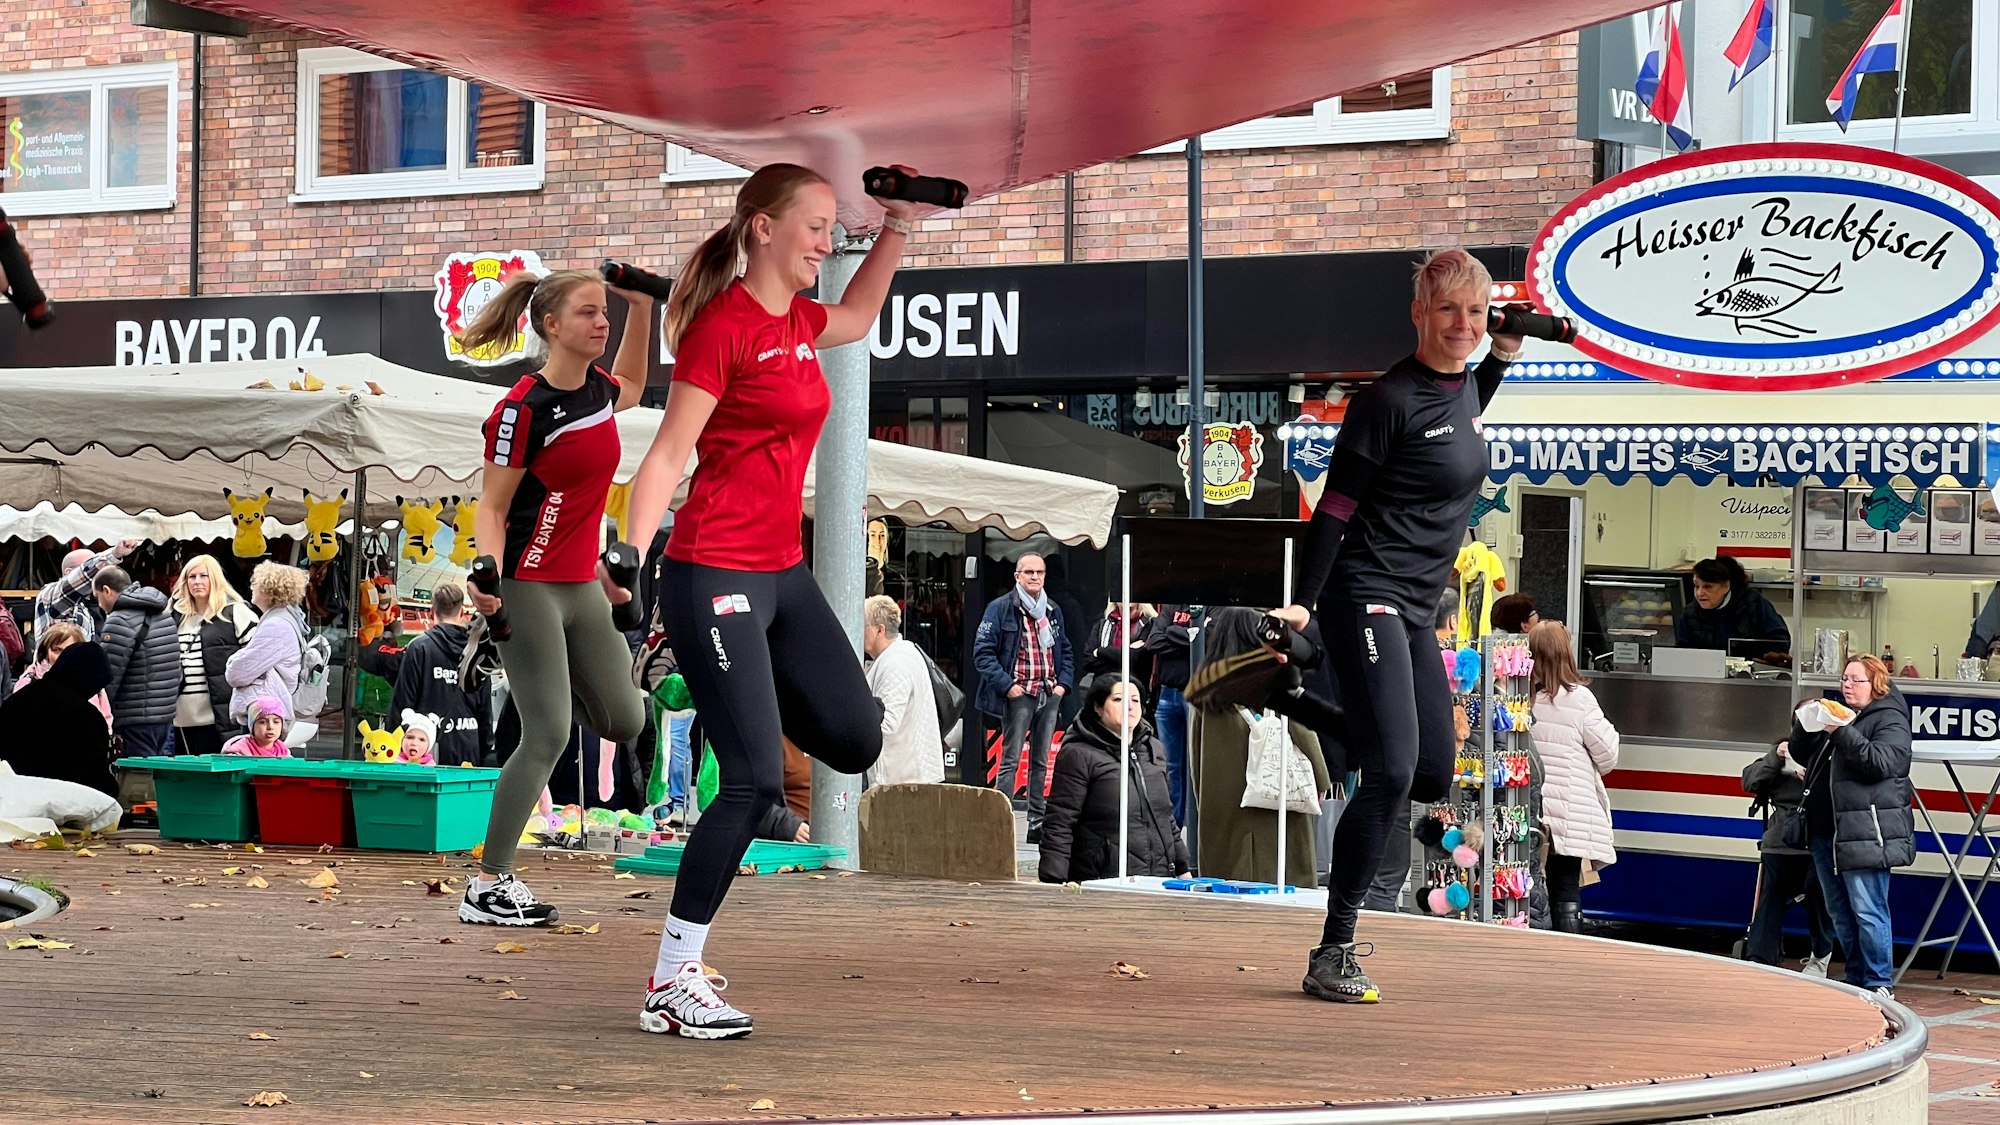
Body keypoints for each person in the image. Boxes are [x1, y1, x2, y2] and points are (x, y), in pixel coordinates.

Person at [619, 162, 918, 1039]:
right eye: (817, 226)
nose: (829, 241)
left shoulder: (798, 319)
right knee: (750, 782)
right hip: (713, 571)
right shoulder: (723, 327)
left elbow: (860, 317)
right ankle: (672, 978)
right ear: (763, 229)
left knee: (857, 738)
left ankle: (743, 692)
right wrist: (630, 555)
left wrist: (899, 224)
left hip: (779, 574)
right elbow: (670, 454)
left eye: (833, 228)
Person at [1271, 249, 1525, 1004]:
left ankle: (1304, 704)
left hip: (1417, 607)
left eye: (1476, 313)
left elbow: (1468, 404)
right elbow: (1337, 509)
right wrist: (1303, 603)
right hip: (1366, 594)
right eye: (1449, 309)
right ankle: (1333, 948)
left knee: (1432, 773)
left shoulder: (1464, 392)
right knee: (1387, 774)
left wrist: (1505, 352)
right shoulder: (1386, 399)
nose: (1463, 325)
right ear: (1420, 313)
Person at [456, 266, 651, 930]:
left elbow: (635, 385)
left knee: (626, 720)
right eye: (589, 313)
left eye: (605, 312)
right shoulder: (521, 410)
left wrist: (642, 307)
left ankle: (569, 687)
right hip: (528, 582)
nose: (601, 322)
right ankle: (487, 881)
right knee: (548, 734)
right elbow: (492, 505)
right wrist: (486, 576)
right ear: (551, 326)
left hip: (580, 582)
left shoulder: (598, 391)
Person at [1787, 654, 1914, 997]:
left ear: (1876, 684)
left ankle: (1878, 981)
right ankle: (1856, 977)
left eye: (1856, 680)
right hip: (1825, 829)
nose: (1847, 685)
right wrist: (1807, 724)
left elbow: (1882, 763)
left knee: (1868, 908)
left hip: (1865, 831)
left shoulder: (1890, 718)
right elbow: (1802, 755)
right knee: (1840, 911)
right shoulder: (1839, 716)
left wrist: (1841, 731)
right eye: (1844, 678)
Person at [1188, 608, 1333, 886]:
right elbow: (1302, 728)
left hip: (1224, 801)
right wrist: (1320, 777)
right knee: (1284, 868)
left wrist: (1204, 799)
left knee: (1230, 874)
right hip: (1277, 792)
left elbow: (1196, 758)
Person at [1038, 675, 1190, 884]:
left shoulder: (1153, 749)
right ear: (1098, 707)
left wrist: (1183, 868)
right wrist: (1054, 880)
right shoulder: (1078, 754)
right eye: (1118, 700)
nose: (1130, 707)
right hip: (1102, 881)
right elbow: (1060, 822)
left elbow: (1165, 817)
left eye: (1135, 700)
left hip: (1157, 880)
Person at [972, 552, 1075, 844]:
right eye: (1028, 572)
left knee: (1041, 761)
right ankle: (999, 821)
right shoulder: (1000, 608)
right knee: (1010, 759)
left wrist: (1063, 686)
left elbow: (1065, 650)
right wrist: (1007, 686)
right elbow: (982, 653)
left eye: (1039, 572)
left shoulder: (1052, 609)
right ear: (1017, 576)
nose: (1034, 577)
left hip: (1048, 692)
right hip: (1018, 694)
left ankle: (1037, 823)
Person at [1526, 620, 1619, 933]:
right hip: (1569, 810)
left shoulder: (1515, 697)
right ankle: (1565, 950)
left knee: (1526, 885)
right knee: (1565, 886)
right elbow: (1608, 755)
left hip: (1527, 811)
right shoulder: (1579, 699)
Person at [1740, 740, 1836, 976]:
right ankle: (1759, 957)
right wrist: (1776, 755)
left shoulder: (1834, 750)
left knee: (1819, 898)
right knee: (1771, 895)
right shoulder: (1782, 754)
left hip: (1819, 839)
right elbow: (1750, 781)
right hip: (1782, 839)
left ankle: (1821, 955)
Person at [170, 554, 259, 757]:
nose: (197, 582)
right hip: (180, 715)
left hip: (220, 714)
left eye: (204, 575)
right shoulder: (176, 617)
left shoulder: (236, 612)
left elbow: (256, 660)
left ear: (215, 579)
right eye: (192, 577)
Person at [392, 582, 489, 767]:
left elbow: (403, 704)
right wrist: (485, 753)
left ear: (431, 612)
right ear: (462, 613)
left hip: (424, 750)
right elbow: (485, 709)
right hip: (469, 747)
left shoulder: (418, 648)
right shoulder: (477, 652)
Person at [0, 642, 116, 795]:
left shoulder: (16, 700)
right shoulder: (86, 716)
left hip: (11, 798)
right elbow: (92, 776)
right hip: (60, 804)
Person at [94, 566, 179, 759]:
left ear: (107, 591)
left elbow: (109, 674)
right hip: (164, 715)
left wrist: (100, 712)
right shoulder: (163, 615)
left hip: (133, 718)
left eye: (97, 596)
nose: (99, 604)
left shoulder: (118, 620)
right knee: (158, 774)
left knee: (137, 779)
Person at [861, 595, 945, 787]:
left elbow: (887, 723)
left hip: (902, 779)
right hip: (904, 776)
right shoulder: (898, 656)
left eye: (862, 625)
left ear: (879, 630)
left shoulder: (895, 663)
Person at [226, 562, 309, 728]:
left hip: (264, 713)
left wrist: (233, 659)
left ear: (269, 588)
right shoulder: (286, 619)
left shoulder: (276, 625)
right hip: (270, 709)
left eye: (255, 583)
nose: (251, 587)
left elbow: (236, 674)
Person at [1145, 604, 1202, 825]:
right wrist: (1190, 637)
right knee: (1171, 765)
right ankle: (1173, 824)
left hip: (1196, 694)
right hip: (1167, 693)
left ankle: (1196, 824)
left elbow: (1208, 643)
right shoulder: (1171, 606)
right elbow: (1154, 642)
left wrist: (1172, 631)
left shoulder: (1212, 606)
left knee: (1196, 763)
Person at [1677, 556, 1791, 659]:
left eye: (1708, 587)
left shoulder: (1753, 603)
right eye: (1696, 586)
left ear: (1726, 586)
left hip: (1751, 674)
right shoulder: (1690, 613)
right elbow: (1682, 652)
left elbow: (1780, 638)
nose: (1699, 593)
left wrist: (1763, 659)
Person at [35, 539, 139, 643]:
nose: (97, 573)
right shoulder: (50, 594)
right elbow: (84, 576)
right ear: (68, 572)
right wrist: (114, 554)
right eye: (88, 567)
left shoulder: (96, 601)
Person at [16, 622, 111, 728]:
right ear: (46, 650)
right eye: (56, 650)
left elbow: (105, 719)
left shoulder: (92, 682)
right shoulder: (29, 680)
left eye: (69, 650)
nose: (62, 656)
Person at [1082, 602, 1157, 689]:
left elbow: (1137, 660)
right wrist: (1127, 652)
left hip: (1135, 689)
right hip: (1104, 690)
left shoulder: (1150, 624)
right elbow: (1088, 661)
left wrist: (1101, 651)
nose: (1126, 595)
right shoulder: (1103, 624)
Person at [221, 699, 292, 758]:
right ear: (252, 726)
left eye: (276, 722)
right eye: (263, 722)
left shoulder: (284, 752)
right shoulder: (237, 754)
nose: (270, 727)